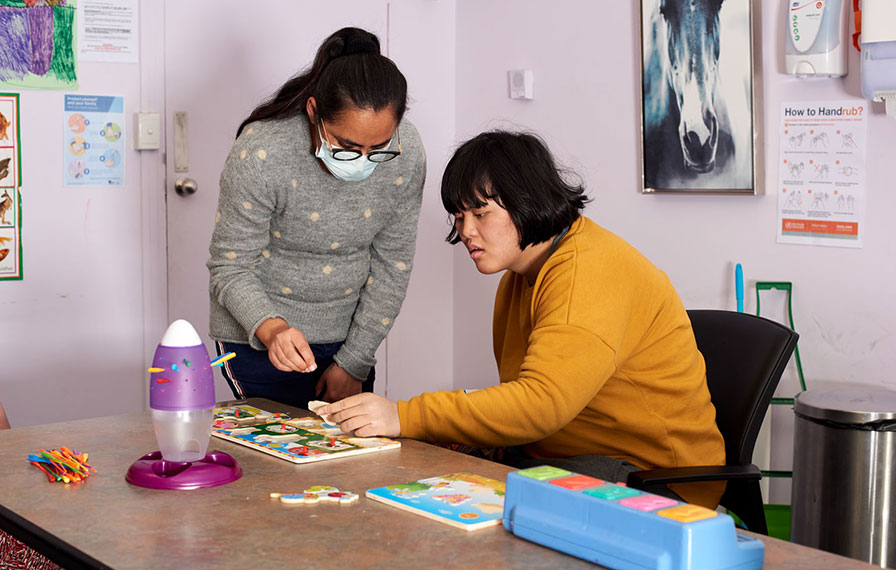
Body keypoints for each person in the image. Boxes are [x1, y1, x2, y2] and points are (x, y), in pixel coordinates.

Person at [320, 130, 726, 508]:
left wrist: (404, 415)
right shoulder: (521, 276)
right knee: (408, 473)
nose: (465, 231)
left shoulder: (589, 268)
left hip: (653, 479)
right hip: (562, 455)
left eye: (480, 213)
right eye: (459, 217)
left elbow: (541, 404)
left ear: (526, 198)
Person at [207, 27, 426, 410]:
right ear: (314, 112)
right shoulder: (262, 152)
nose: (364, 159)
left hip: (351, 338)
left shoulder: (406, 153)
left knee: (347, 458)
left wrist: (354, 361)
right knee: (276, 459)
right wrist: (273, 329)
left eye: (379, 148)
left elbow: (394, 266)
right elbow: (231, 266)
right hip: (257, 335)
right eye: (347, 146)